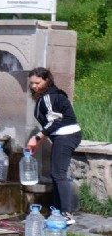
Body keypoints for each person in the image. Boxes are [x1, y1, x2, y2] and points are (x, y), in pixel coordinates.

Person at [26, 67, 81, 225]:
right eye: (31, 83)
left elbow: (55, 121)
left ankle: (66, 213)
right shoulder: (47, 95)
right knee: (56, 174)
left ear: (47, 80)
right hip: (62, 135)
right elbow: (50, 125)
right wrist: (39, 142)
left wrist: (36, 138)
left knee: (59, 174)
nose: (34, 86)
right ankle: (57, 211)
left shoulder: (49, 96)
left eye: (37, 83)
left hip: (66, 135)